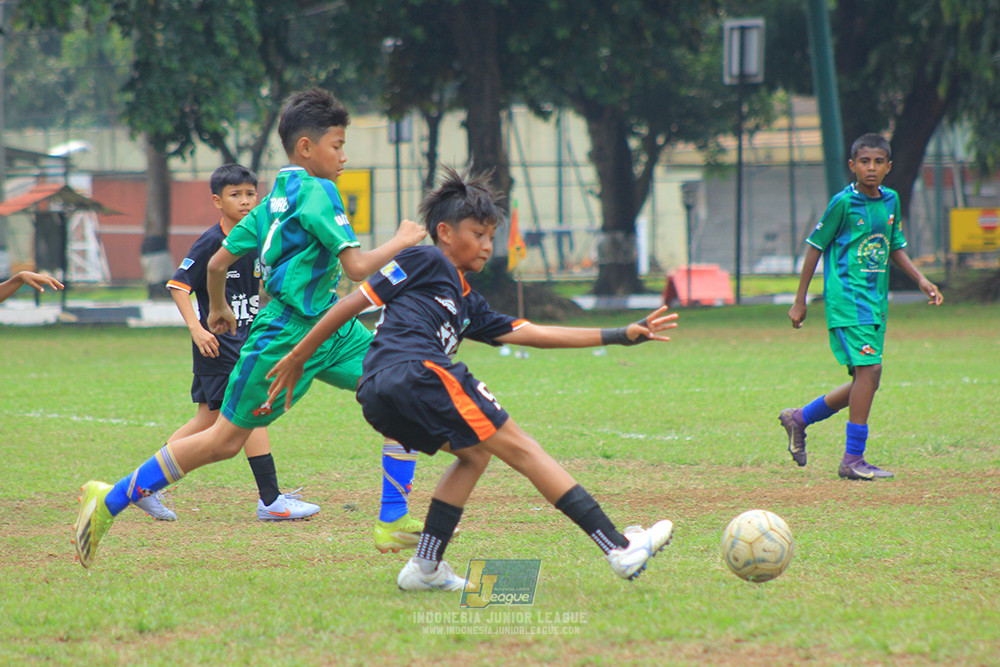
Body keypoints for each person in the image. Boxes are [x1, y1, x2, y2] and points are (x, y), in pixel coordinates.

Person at [265, 167, 679, 591]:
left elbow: (529, 333)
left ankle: (425, 568)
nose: (487, 245)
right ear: (444, 232)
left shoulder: (467, 300)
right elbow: (351, 304)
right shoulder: (425, 259)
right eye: (478, 234)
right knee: (523, 448)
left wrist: (618, 335)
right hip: (416, 373)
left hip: (379, 392)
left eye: (491, 237)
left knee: (474, 455)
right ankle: (619, 547)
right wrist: (299, 355)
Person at [72, 87, 427, 568]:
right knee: (223, 441)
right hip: (282, 337)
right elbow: (360, 266)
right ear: (306, 147)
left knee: (399, 389)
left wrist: (218, 307)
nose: (344, 156)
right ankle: (109, 499)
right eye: (337, 145)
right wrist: (404, 240)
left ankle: (393, 517)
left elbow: (218, 262)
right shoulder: (319, 191)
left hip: (331, 328)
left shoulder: (276, 196)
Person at [131, 163, 319, 523]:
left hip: (244, 340)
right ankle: (271, 499)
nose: (246, 202)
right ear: (218, 201)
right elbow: (177, 285)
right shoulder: (211, 242)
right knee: (251, 409)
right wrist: (197, 330)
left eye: (251, 194)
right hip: (219, 346)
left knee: (207, 420)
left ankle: (143, 485)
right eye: (236, 195)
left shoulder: (258, 237)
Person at [779, 133, 943, 481]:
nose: (871, 168)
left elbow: (894, 244)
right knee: (868, 372)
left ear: (888, 167)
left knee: (869, 377)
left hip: (875, 302)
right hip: (848, 301)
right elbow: (814, 248)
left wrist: (921, 280)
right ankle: (853, 459)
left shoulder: (892, 201)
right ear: (852, 166)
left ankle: (800, 418)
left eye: (878, 162)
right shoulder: (842, 203)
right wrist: (800, 300)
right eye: (864, 162)